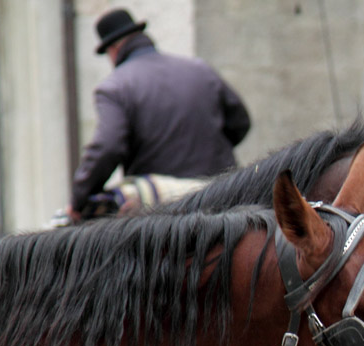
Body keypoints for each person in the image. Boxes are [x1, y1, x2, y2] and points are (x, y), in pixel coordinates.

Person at [67, 8, 251, 220]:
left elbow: (108, 146)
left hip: (164, 213)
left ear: (114, 49)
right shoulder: (199, 69)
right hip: (221, 199)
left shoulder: (115, 87)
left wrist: (79, 199)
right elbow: (240, 123)